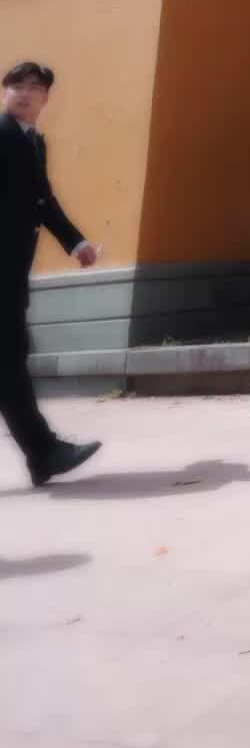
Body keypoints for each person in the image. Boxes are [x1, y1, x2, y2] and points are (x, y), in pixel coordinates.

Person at [0, 60, 102, 485]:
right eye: (18, 86)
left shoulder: (32, 142)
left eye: (35, 88)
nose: (25, 93)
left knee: (9, 363)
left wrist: (76, 243)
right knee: (8, 363)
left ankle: (43, 454)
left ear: (45, 99)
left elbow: (43, 200)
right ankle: (43, 453)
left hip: (9, 274)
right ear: (5, 91)